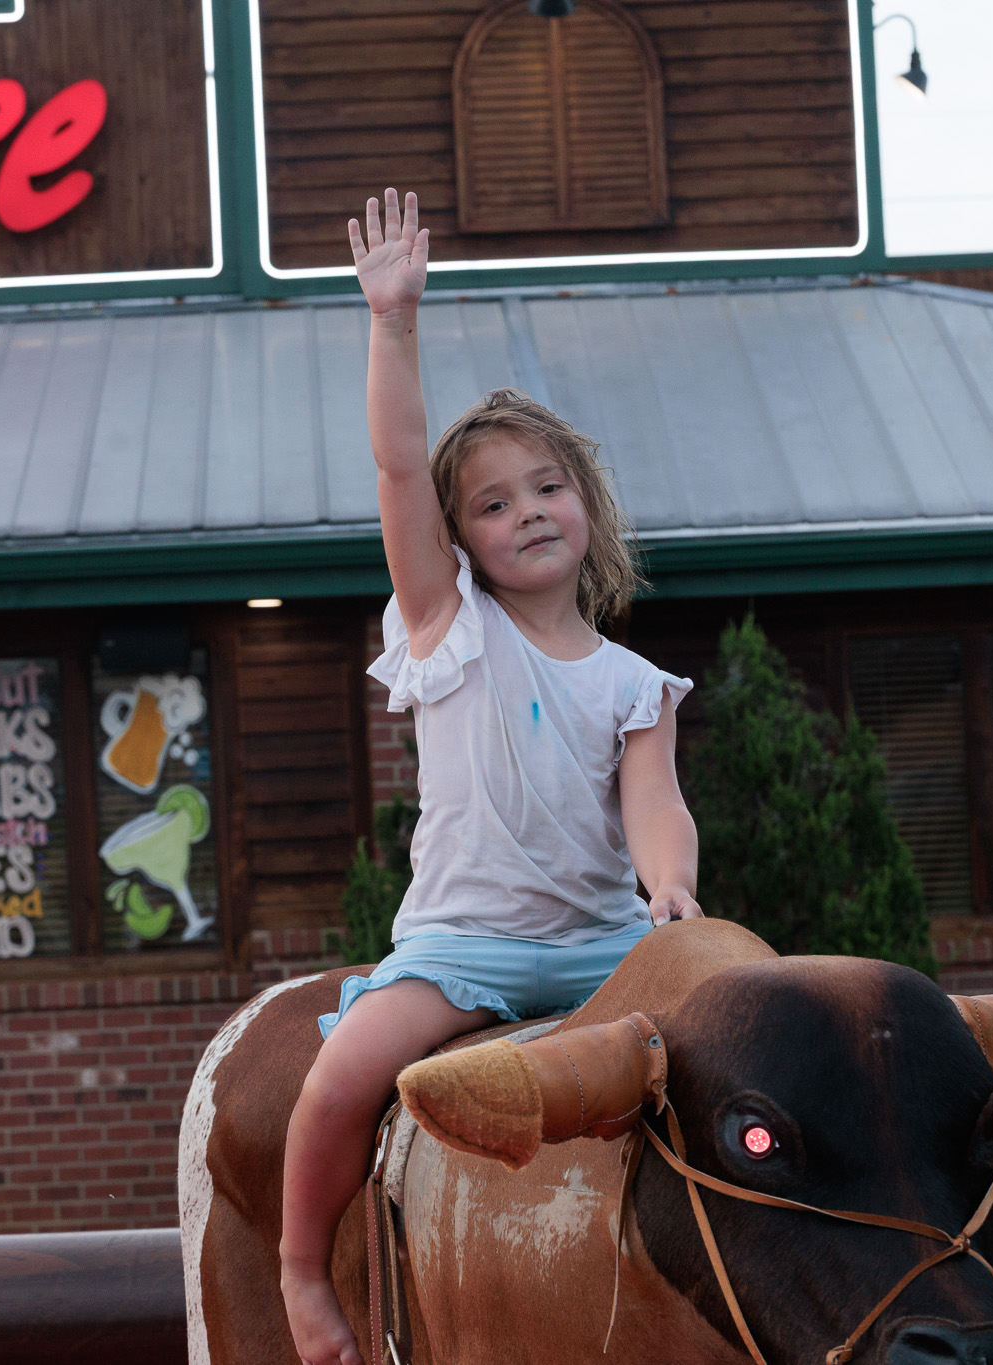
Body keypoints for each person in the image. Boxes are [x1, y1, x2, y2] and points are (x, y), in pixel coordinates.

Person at [278, 189, 703, 1365]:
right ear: (458, 542)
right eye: (494, 503)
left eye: (546, 488)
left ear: (587, 501)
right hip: (466, 943)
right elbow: (399, 465)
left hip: (600, 946)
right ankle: (306, 1275)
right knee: (339, 1075)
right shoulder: (448, 626)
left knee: (738, 1043)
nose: (526, 513)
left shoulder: (632, 681)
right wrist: (393, 325)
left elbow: (653, 806)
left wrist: (670, 893)